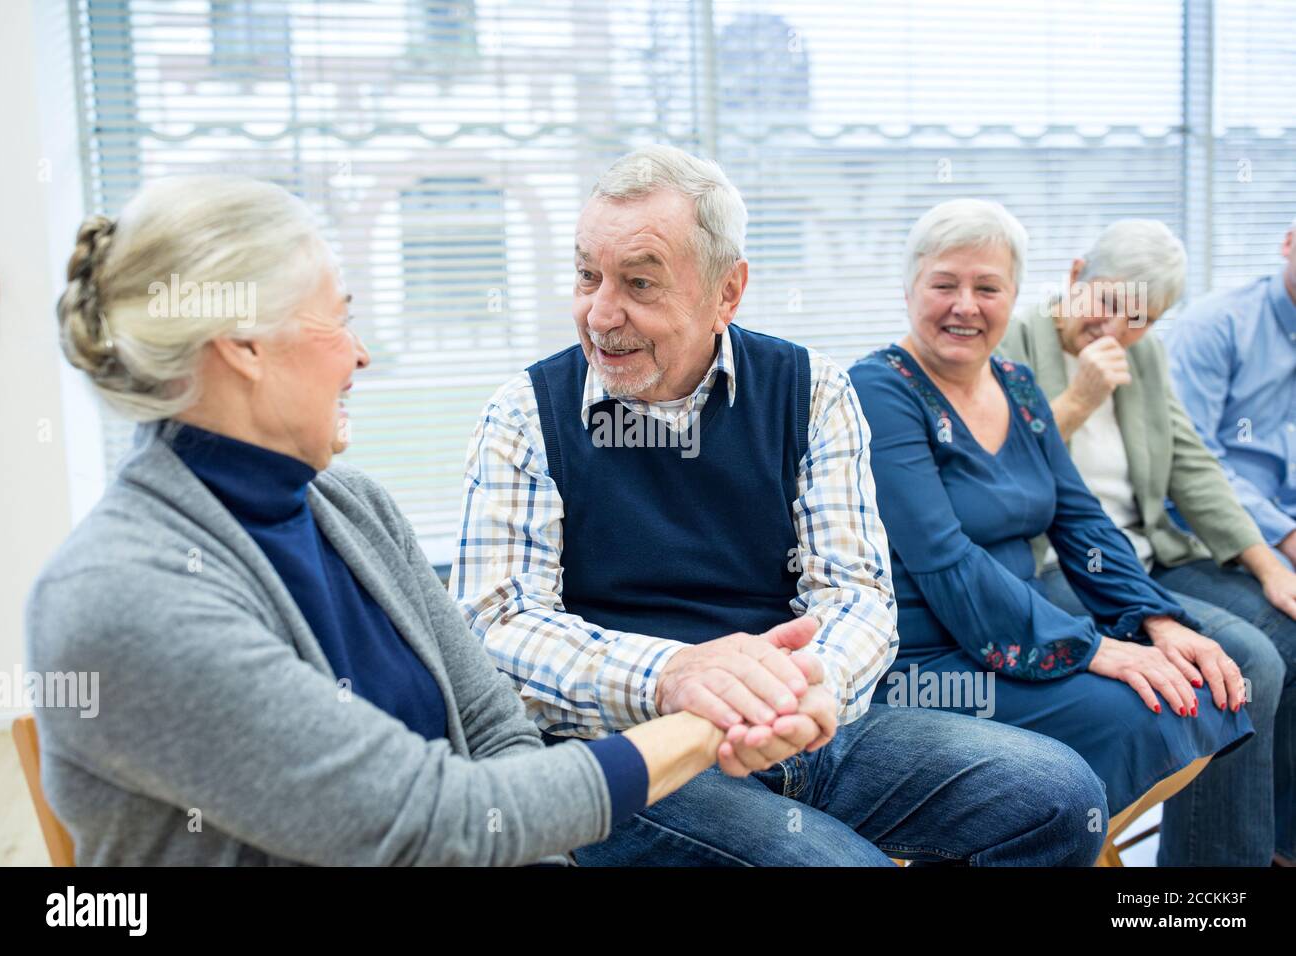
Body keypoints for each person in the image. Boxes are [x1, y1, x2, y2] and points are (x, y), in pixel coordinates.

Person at [24, 175, 799, 867]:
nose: (359, 356)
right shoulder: (122, 596)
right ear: (244, 347)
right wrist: (709, 716)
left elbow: (500, 738)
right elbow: (434, 819)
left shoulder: (353, 509)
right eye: (339, 322)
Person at [453, 146, 1107, 866]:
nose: (601, 313)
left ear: (726, 293)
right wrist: (676, 676)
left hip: (801, 720)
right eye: (586, 276)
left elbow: (857, 596)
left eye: (639, 283)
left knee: (1059, 795)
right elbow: (497, 626)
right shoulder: (524, 413)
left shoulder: (813, 390)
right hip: (633, 752)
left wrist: (794, 694)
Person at [848, 199, 1257, 866]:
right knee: (1146, 710)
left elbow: (1080, 520)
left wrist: (1158, 621)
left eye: (987, 288)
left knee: (1204, 687)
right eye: (944, 284)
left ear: (1013, 297)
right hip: (930, 659)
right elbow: (943, 559)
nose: (965, 306)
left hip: (1015, 631)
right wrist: (1091, 647)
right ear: (909, 289)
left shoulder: (1018, 384)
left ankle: (1026, 840)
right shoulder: (878, 389)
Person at [999, 218, 1294, 865]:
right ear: (1075, 276)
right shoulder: (1011, 342)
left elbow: (1192, 465)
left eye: (1141, 320)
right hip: (1059, 567)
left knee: (1283, 632)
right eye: (1106, 305)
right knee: (1242, 665)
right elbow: (1001, 476)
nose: (1117, 332)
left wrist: (1268, 565)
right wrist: (1077, 399)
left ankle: (1264, 850)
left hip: (1147, 552)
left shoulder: (1147, 355)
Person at [1168, 216, 1296, 569]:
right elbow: (1191, 462)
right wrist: (1286, 536)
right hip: (1223, 529)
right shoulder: (1213, 326)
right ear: (1288, 243)